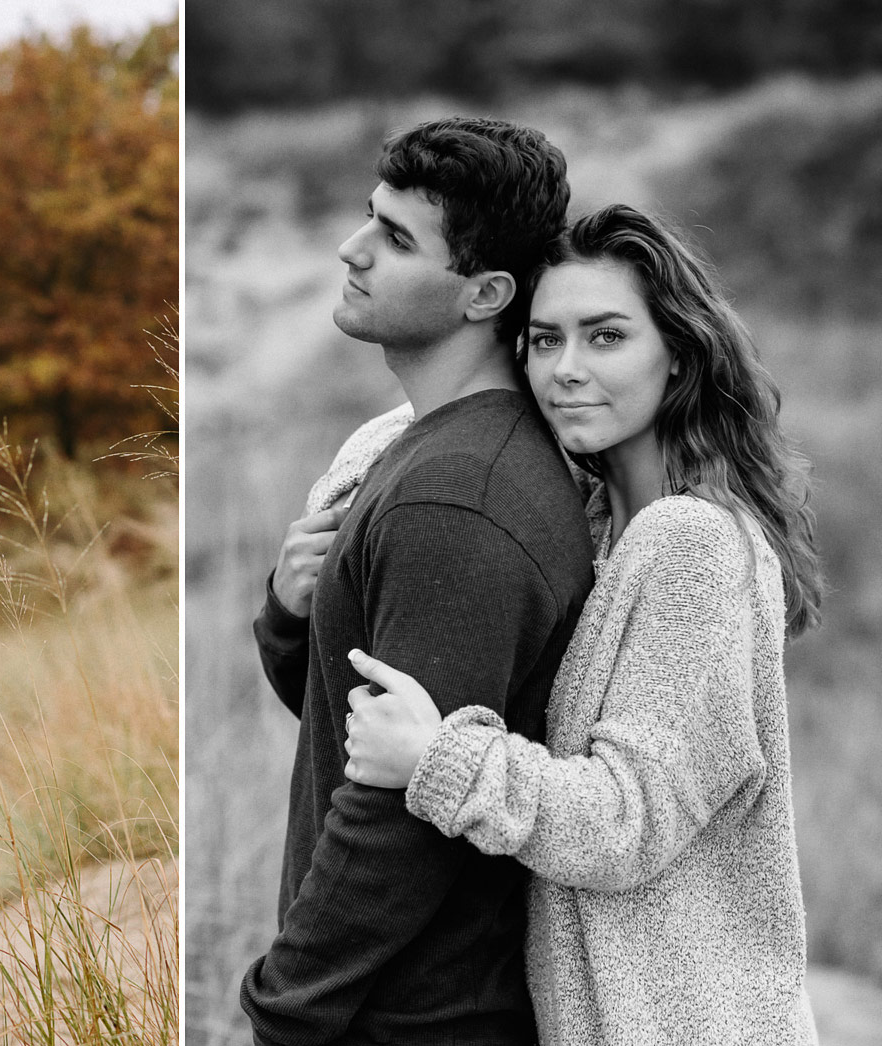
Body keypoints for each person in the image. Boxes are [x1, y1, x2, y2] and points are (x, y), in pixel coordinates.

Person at [343, 204, 824, 1045]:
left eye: (605, 337)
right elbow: (437, 418)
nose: (566, 368)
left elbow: (625, 820)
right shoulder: (597, 523)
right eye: (542, 340)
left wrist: (436, 758)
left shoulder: (692, 543)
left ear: (678, 353)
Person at [241, 117, 597, 1045]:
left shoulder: (458, 499)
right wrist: (289, 615)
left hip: (410, 1019)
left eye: (397, 239)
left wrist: (285, 1005)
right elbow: (346, 717)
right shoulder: (419, 453)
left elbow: (401, 812)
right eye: (370, 218)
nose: (352, 251)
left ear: (486, 293)